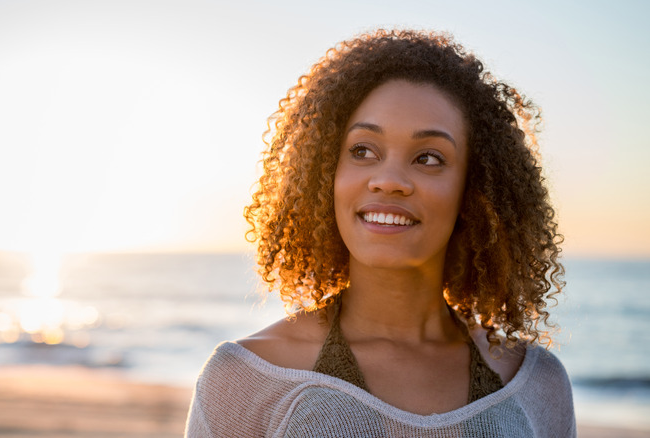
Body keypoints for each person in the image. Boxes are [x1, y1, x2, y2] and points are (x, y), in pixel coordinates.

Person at [185, 29, 574, 437]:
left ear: (473, 190)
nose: (388, 180)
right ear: (326, 175)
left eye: (428, 158)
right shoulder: (244, 378)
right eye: (362, 151)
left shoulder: (536, 383)